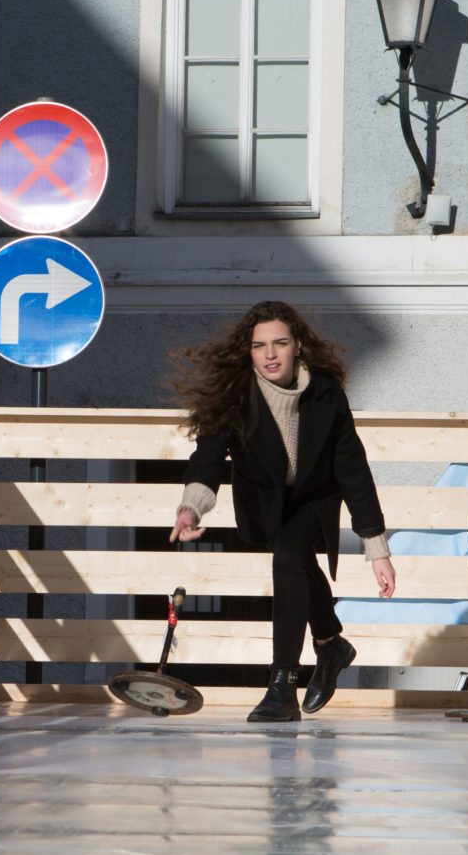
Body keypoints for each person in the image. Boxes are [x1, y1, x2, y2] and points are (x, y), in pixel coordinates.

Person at [167, 301, 396, 724]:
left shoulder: (326, 393)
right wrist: (191, 509)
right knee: (295, 560)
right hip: (265, 503)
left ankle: (283, 686)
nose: (270, 354)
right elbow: (209, 457)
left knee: (290, 554)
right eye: (259, 346)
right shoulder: (236, 394)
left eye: (279, 343)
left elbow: (352, 469)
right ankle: (330, 645)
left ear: (298, 347)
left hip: (314, 497)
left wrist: (376, 547)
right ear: (248, 352)